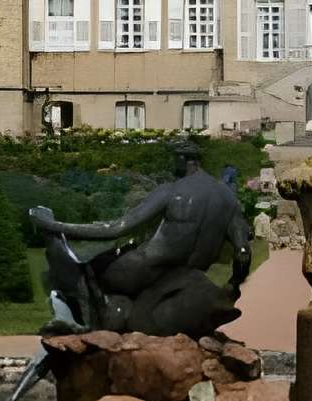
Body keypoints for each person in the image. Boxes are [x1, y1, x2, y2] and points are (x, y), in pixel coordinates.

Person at [29, 139, 252, 336]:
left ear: (183, 159)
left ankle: (82, 322)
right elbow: (243, 253)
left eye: (174, 159)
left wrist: (55, 226)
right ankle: (116, 315)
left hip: (143, 271)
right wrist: (233, 284)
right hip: (186, 275)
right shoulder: (228, 199)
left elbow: (117, 228)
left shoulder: (172, 191)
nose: (172, 165)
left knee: (82, 264)